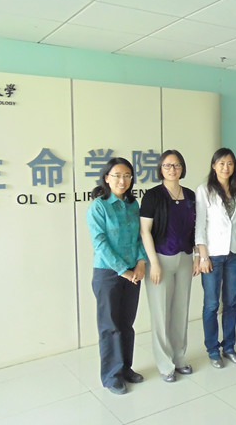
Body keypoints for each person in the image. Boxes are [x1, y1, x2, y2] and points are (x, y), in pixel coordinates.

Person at [86, 157, 147, 395]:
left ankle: (125, 368)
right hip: (108, 273)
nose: (123, 181)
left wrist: (141, 262)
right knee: (110, 326)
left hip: (133, 272)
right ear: (106, 178)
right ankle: (112, 376)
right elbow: (100, 243)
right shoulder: (99, 206)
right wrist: (124, 270)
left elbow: (140, 237)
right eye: (117, 176)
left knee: (126, 324)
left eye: (127, 176)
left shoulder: (132, 204)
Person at [139, 150, 198, 383]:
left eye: (176, 165)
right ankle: (165, 365)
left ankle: (180, 358)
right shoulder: (152, 196)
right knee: (161, 313)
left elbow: (196, 228)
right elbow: (145, 231)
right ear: (160, 169)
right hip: (160, 260)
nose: (172, 169)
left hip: (185, 258)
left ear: (182, 168)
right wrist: (153, 263)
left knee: (181, 311)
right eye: (167, 165)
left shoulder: (190, 195)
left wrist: (197, 255)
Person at [195, 148, 236, 369]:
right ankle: (212, 350)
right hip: (213, 255)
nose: (226, 167)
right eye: (221, 163)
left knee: (231, 303)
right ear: (214, 166)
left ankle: (229, 347)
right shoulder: (204, 190)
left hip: (235, 253)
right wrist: (202, 256)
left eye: (230, 163)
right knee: (211, 304)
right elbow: (199, 225)